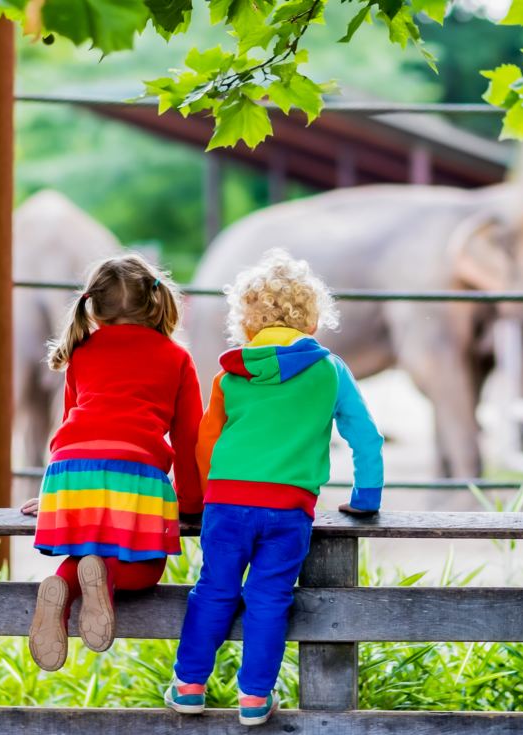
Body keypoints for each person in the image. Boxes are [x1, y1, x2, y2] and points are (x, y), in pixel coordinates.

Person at [164, 249, 384, 726]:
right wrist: (366, 499)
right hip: (288, 509)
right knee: (269, 598)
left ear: (246, 321)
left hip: (225, 504)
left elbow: (206, 440)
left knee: (214, 590)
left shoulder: (230, 374)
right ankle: (254, 698)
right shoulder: (329, 370)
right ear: (312, 318)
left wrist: (201, 500)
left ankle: (188, 686)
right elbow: (365, 437)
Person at [22, 253, 203, 672]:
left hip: (68, 474)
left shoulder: (81, 352)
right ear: (156, 302)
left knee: (86, 554)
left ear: (95, 307)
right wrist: (192, 504)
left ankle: (63, 587)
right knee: (145, 568)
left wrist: (50, 497)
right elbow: (189, 437)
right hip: (135, 471)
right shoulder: (176, 358)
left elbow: (70, 426)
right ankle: (103, 577)